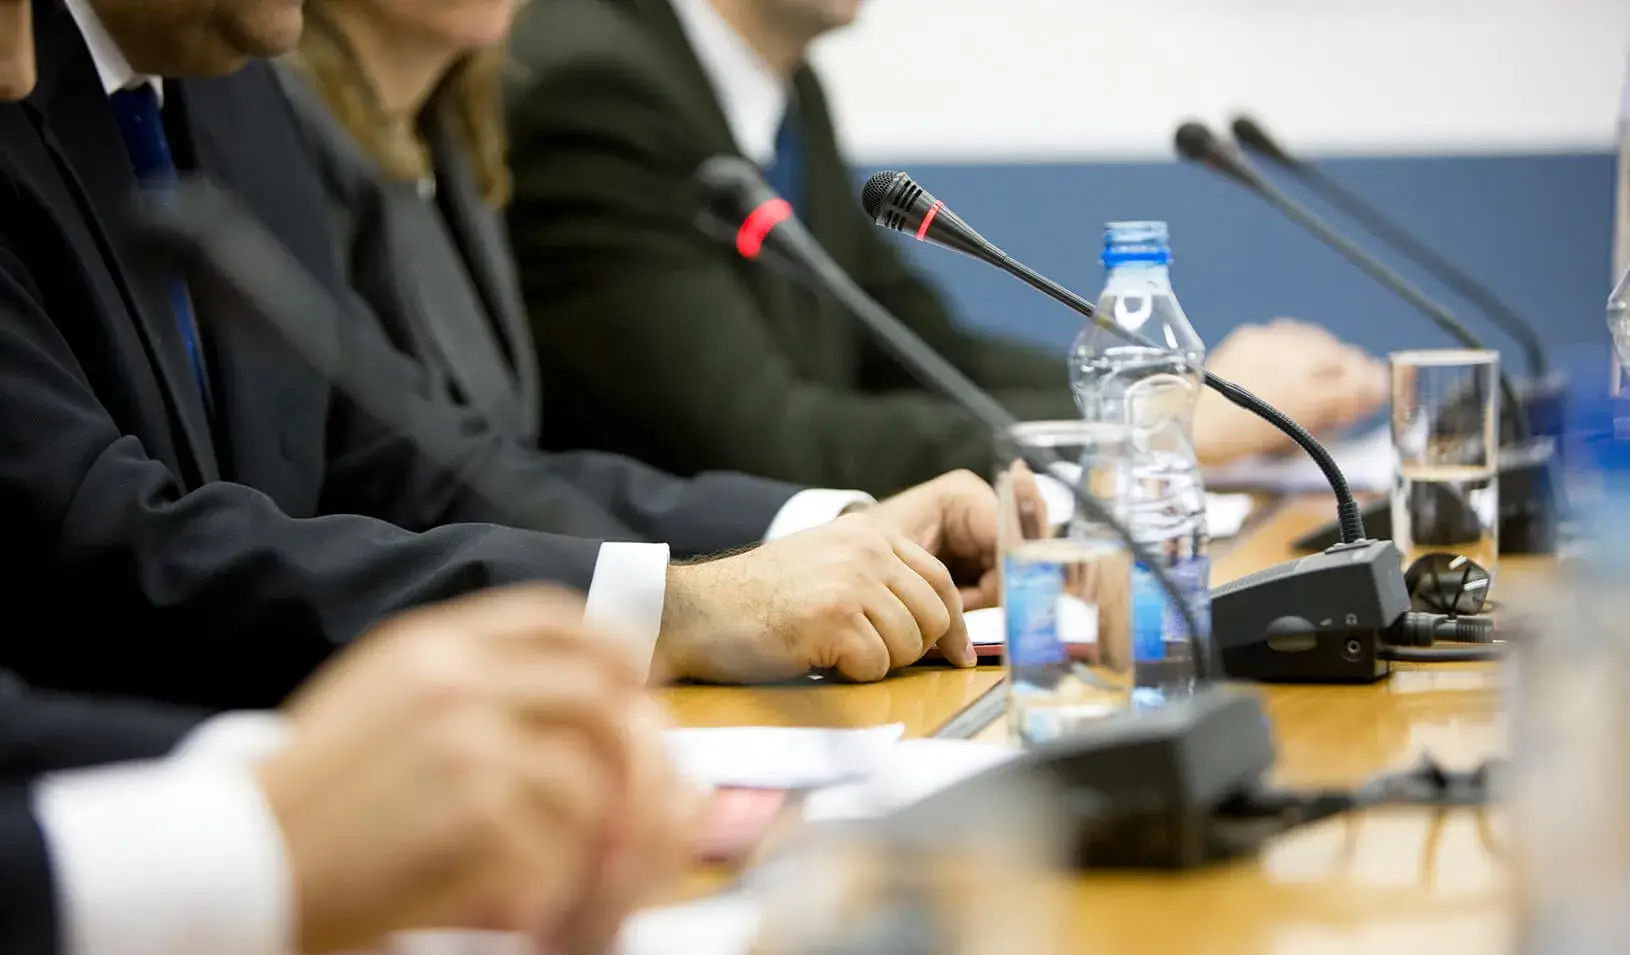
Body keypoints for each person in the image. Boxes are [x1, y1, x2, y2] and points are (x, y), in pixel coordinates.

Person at [0, 0, 996, 711]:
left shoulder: (233, 91)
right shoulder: (21, 76)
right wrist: (678, 609)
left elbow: (407, 463)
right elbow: (111, 557)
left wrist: (819, 530)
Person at [504, 0, 1389, 495]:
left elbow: (923, 351)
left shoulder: (791, 93)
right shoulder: (597, 86)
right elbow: (764, 441)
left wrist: (1178, 392)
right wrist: (1155, 428)